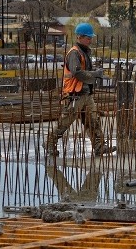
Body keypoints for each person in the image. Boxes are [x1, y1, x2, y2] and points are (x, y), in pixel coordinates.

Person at [45, 23, 116, 159]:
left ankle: (99, 146)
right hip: (74, 94)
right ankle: (49, 143)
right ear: (80, 37)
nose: (90, 40)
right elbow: (77, 73)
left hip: (86, 94)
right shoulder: (74, 53)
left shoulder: (84, 52)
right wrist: (95, 74)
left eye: (90, 38)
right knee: (65, 122)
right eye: (88, 38)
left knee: (93, 120)